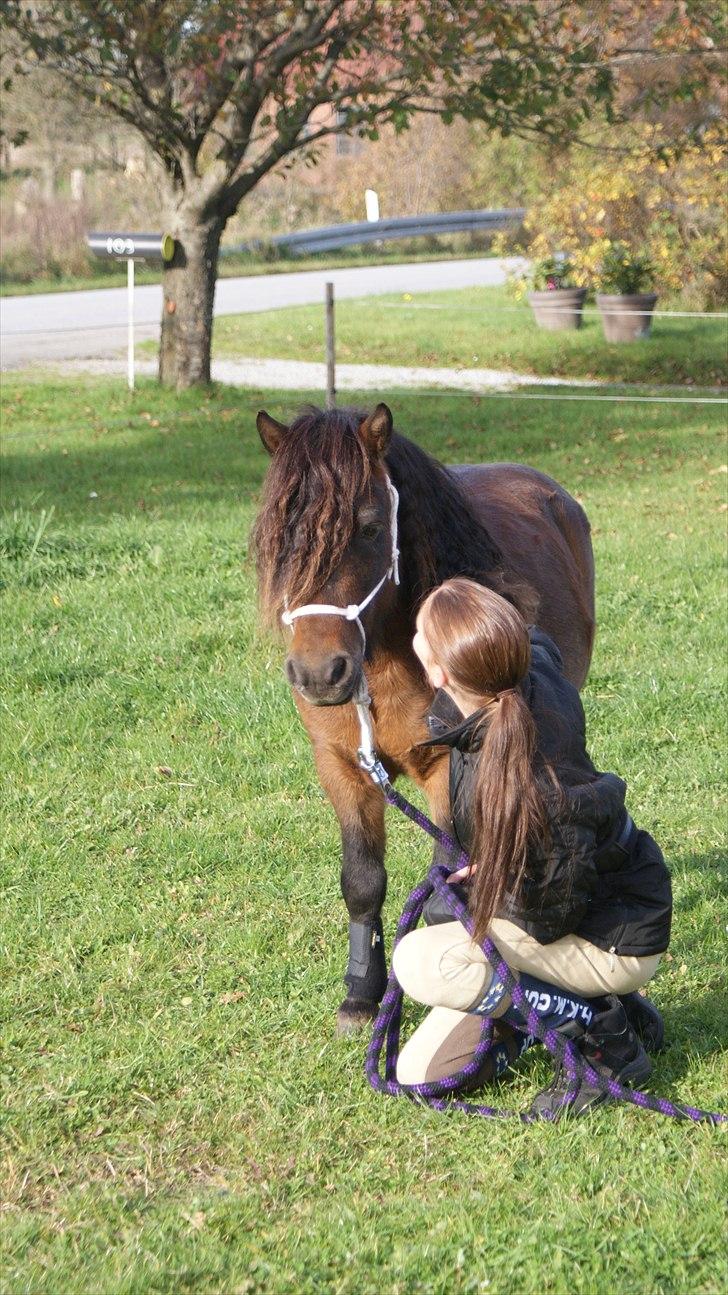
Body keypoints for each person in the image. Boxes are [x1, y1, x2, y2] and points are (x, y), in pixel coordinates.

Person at [393, 577, 672, 1119]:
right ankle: (571, 1007)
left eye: (421, 632)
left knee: (421, 961)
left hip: (612, 937)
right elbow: (539, 635)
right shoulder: (528, 668)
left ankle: (602, 1033)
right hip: (586, 900)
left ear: (438, 672)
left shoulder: (533, 793)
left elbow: (550, 915)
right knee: (419, 1072)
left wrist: (483, 886)